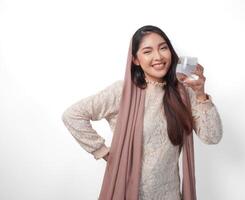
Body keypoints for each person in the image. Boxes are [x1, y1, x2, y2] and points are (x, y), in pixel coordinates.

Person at [62, 25, 223, 200]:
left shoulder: (184, 93)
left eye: (163, 48)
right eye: (147, 51)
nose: (158, 57)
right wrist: (103, 152)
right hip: (129, 192)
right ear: (136, 60)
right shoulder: (122, 92)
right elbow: (73, 115)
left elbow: (212, 137)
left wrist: (200, 94)